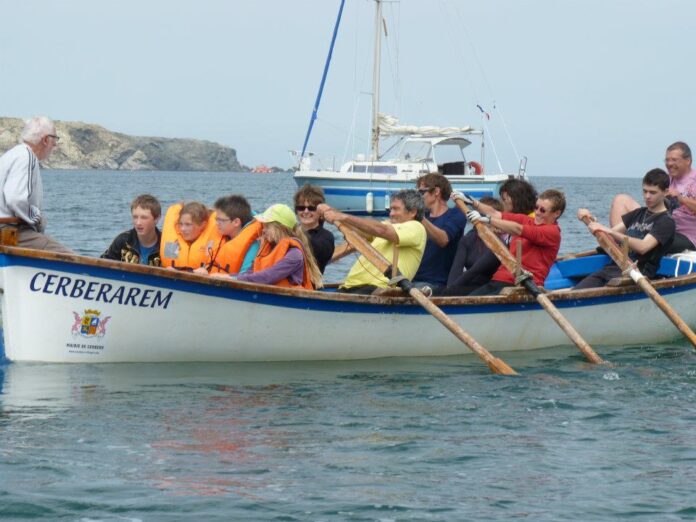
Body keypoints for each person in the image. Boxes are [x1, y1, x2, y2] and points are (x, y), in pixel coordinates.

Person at [574, 169, 675, 289]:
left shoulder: (666, 221)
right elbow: (608, 236)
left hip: (637, 276)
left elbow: (643, 247)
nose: (647, 196)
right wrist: (591, 221)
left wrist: (607, 230)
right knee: (572, 293)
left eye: (653, 192)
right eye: (645, 191)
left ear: (665, 192)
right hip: (612, 269)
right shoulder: (638, 213)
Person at [319, 189, 427, 294]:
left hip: (377, 289)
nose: (391, 214)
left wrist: (342, 216)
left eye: (396, 209)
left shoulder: (416, 228)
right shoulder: (387, 226)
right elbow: (359, 231)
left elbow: (381, 230)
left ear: (412, 212)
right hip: (350, 286)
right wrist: (332, 213)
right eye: (391, 209)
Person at [466, 189, 566, 295]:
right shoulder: (526, 220)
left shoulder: (552, 232)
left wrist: (488, 220)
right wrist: (473, 202)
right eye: (536, 207)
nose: (537, 212)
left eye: (542, 210)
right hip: (499, 280)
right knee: (467, 300)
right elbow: (495, 213)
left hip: (524, 286)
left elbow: (518, 229)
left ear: (556, 213)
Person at [0, 116, 73, 253]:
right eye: (54, 139)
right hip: (9, 231)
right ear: (45, 140)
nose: (55, 145)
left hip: (6, 229)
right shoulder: (27, 157)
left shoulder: (10, 155)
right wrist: (37, 218)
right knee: (70, 258)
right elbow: (16, 199)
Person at [609, 142, 696, 252]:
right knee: (621, 200)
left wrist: (681, 198)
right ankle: (618, 244)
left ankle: (626, 244)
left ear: (688, 161)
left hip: (686, 235)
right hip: (658, 224)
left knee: (650, 234)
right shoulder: (665, 179)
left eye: (674, 160)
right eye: (667, 160)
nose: (669, 163)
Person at [235, 204, 322, 289]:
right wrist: (230, 277)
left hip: (288, 299)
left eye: (267, 227)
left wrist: (236, 279)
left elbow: (269, 276)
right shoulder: (268, 248)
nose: (264, 230)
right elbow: (250, 272)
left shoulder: (294, 254)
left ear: (280, 228)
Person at [437, 197, 504, 296]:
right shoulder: (468, 238)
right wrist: (449, 289)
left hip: (488, 287)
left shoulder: (498, 243)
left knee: (449, 291)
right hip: (468, 284)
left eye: (484, 216)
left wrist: (450, 291)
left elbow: (475, 270)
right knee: (434, 291)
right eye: (478, 214)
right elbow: (456, 269)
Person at [412, 173, 466, 287]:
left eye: (421, 192)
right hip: (410, 279)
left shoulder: (456, 214)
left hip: (436, 283)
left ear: (436, 192)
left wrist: (419, 217)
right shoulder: (422, 217)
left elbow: (443, 239)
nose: (419, 197)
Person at [200, 195, 262, 276]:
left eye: (221, 220)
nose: (216, 223)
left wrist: (227, 277)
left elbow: (247, 277)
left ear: (236, 222)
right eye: (216, 219)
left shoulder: (253, 247)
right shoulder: (222, 237)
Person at [101, 194, 162, 265]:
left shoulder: (165, 244)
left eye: (144, 217)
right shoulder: (122, 241)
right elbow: (102, 265)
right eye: (135, 217)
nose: (138, 223)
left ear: (157, 219)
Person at [160, 201, 219, 271]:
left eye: (188, 224)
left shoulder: (213, 240)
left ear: (203, 225)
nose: (182, 229)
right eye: (180, 224)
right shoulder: (174, 239)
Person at [293, 184, 335, 274]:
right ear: (296, 211)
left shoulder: (326, 237)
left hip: (308, 285)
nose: (306, 211)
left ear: (320, 212)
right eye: (301, 208)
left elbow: (320, 253)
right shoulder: (291, 231)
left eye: (312, 208)